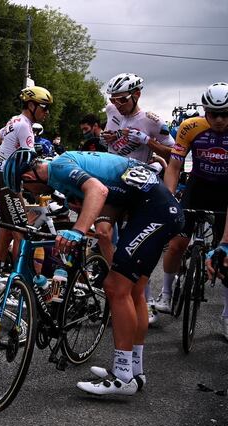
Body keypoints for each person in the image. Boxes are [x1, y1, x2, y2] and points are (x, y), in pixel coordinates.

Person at [3, 148, 183, 396]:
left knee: (116, 288)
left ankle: (122, 377)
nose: (29, 194)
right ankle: (134, 371)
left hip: (154, 211)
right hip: (153, 207)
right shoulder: (68, 166)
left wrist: (77, 231)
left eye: (25, 188)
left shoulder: (59, 167)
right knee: (133, 291)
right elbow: (105, 216)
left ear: (28, 175)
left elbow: (98, 190)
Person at [101, 73, 176, 325]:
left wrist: (148, 141)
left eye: (122, 100)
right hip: (113, 179)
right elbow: (109, 135)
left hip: (138, 186)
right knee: (104, 234)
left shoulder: (152, 120)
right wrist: (106, 137)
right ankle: (117, 291)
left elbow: (174, 152)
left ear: (137, 95)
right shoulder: (111, 109)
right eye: (114, 99)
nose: (118, 104)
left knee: (136, 248)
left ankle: (142, 299)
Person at [158, 83, 228, 339]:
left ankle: (227, 315)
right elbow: (175, 166)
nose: (219, 119)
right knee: (176, 242)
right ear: (204, 111)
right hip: (198, 185)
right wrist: (167, 200)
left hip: (226, 192)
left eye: (225, 113)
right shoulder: (190, 126)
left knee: (226, 257)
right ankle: (165, 294)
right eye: (213, 113)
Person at [0, 86, 53, 289]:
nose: (47, 112)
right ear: (31, 105)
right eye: (44, 107)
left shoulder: (14, 121)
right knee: (21, 231)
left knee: (7, 230)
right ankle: (23, 279)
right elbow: (32, 162)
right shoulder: (25, 126)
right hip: (8, 183)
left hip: (3, 180)